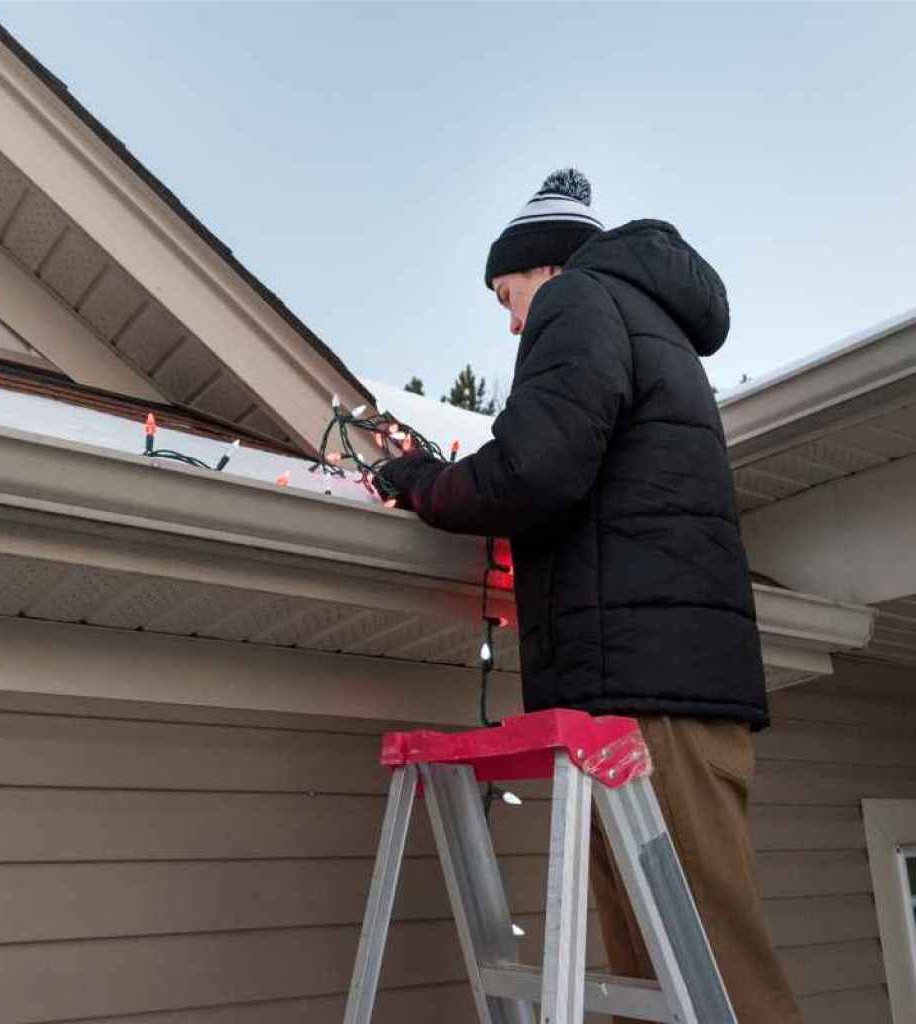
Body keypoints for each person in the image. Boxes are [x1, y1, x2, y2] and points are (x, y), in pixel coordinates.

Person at [377, 168, 802, 1023]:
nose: (509, 320)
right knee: (668, 981)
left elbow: (536, 467)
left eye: (508, 293)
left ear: (545, 268)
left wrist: (420, 481)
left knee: (714, 979)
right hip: (658, 696)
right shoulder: (650, 325)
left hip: (649, 705)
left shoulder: (582, 300)